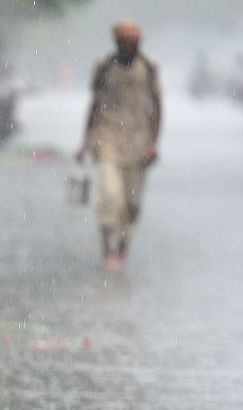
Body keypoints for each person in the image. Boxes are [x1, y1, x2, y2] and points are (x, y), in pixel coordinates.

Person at [77, 20, 162, 271]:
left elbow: (157, 106)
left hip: (139, 141)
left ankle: (123, 250)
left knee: (132, 204)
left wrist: (154, 143)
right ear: (117, 43)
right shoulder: (104, 67)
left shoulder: (149, 67)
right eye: (125, 43)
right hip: (108, 138)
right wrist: (85, 142)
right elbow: (94, 104)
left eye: (134, 43)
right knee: (110, 196)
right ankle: (107, 249)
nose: (130, 47)